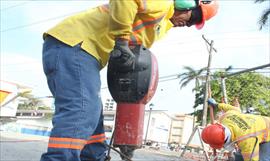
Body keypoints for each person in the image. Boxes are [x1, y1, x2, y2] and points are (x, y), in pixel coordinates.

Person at [40, 0, 218, 161]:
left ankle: (94, 157)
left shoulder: (162, 25)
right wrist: (122, 40)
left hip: (80, 50)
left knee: (92, 114)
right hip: (74, 44)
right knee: (82, 109)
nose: (188, 24)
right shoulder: (163, 4)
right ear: (185, 4)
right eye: (193, 18)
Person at [202, 98, 270, 161]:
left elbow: (252, 159)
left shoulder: (246, 139)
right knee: (239, 157)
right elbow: (235, 109)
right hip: (257, 127)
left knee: (262, 158)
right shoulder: (225, 118)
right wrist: (217, 105)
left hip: (267, 132)